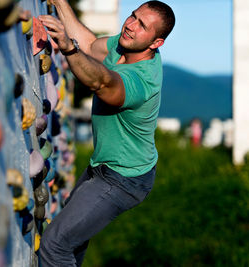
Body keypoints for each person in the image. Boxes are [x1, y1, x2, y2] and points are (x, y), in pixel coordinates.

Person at [38, 1, 175, 266]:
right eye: (133, 16)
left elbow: (100, 81)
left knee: (55, 245)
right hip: (102, 165)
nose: (131, 25)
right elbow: (90, 46)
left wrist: (67, 47)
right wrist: (61, 4)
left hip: (124, 179)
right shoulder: (124, 45)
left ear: (156, 43)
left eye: (142, 26)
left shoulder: (143, 79)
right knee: (70, 242)